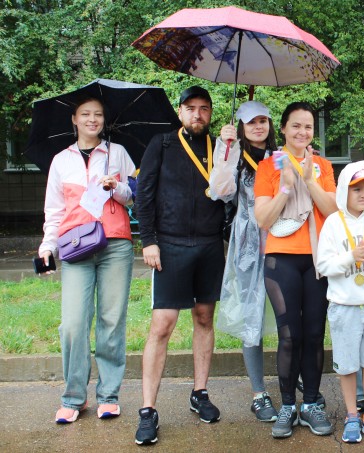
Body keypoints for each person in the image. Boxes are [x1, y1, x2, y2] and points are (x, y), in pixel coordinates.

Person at [134, 86, 226, 445]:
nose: (197, 115)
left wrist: (233, 148)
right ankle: (147, 410)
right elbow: (144, 193)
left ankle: (199, 393)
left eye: (204, 108)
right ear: (180, 111)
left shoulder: (220, 147)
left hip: (209, 245)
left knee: (204, 318)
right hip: (170, 245)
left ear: (211, 113)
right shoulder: (161, 144)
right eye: (191, 108)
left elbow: (230, 191)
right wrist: (149, 240)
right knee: (162, 325)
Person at [38, 96, 136, 424]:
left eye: (98, 115)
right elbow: (54, 211)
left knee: (111, 320)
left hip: (115, 244)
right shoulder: (61, 161)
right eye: (85, 114)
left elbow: (135, 196)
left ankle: (108, 395)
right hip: (76, 246)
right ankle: (73, 397)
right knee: (73, 323)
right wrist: (47, 246)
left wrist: (116, 187)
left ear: (104, 120)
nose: (92, 120)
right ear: (74, 119)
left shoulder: (117, 153)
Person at [253, 102, 337, 439]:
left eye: (308, 126)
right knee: (290, 335)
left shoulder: (322, 165)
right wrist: (286, 186)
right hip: (281, 259)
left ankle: (311, 404)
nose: (303, 132)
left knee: (315, 334)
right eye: (296, 126)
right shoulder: (269, 165)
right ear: (284, 129)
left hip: (318, 260)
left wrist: (309, 180)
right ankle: (288, 405)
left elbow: (332, 210)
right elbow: (263, 219)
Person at [316, 161, 364, 443]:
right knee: (347, 364)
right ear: (343, 191)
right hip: (343, 305)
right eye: (356, 189)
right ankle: (352, 414)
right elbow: (323, 265)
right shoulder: (333, 223)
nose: (363, 194)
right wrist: (351, 257)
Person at [212, 101, 279, 422]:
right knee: (252, 316)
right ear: (241, 126)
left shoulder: (280, 157)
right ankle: (258, 393)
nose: (258, 126)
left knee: (290, 314)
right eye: (251, 122)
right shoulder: (235, 156)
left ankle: (296, 381)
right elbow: (220, 191)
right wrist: (225, 150)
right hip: (248, 244)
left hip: (281, 240)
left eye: (263, 120)